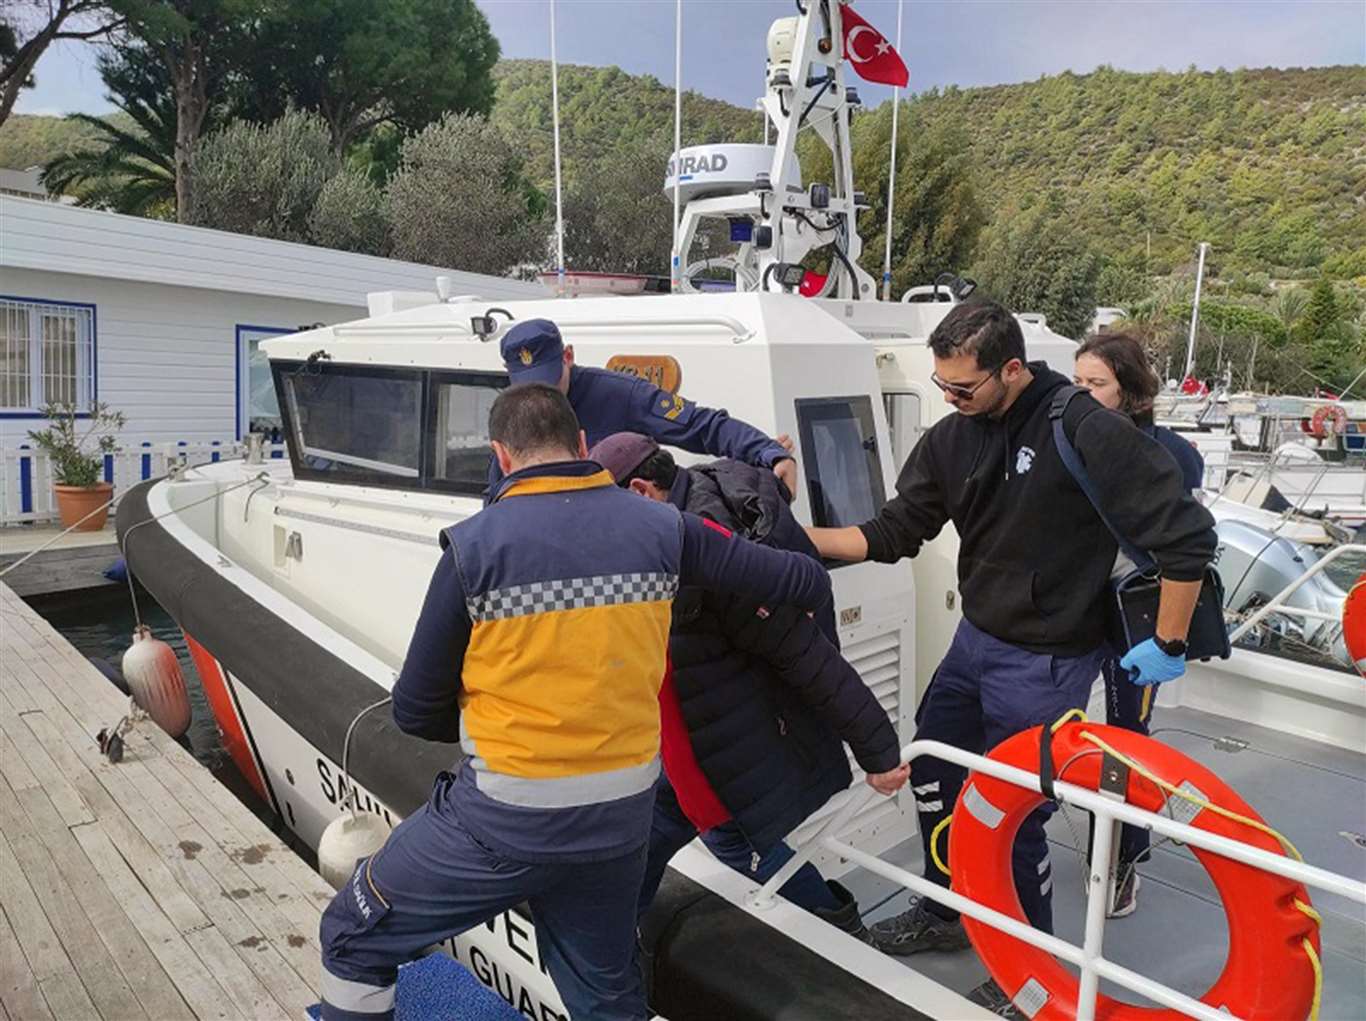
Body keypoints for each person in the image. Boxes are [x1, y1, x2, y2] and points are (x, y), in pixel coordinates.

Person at [318, 385, 833, 1021]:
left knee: (350, 935)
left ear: (502, 456)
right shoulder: (665, 529)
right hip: (620, 825)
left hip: (501, 824)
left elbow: (415, 712)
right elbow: (801, 577)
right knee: (605, 997)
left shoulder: (473, 548)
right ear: (582, 445)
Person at [804, 300, 1216, 1014]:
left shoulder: (1084, 427)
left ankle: (1030, 968)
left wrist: (1169, 643)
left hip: (1049, 659)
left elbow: (1189, 537)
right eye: (941, 386)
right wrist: (792, 537)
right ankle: (947, 910)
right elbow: (896, 530)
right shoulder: (954, 436)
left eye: (963, 388)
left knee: (1013, 810)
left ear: (1013, 369)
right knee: (933, 769)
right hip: (976, 641)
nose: (950, 400)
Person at [587, 432, 909, 944]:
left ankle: (840, 927)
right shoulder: (692, 500)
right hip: (690, 735)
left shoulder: (709, 555)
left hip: (720, 748)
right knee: (658, 837)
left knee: (732, 842)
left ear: (644, 491)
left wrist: (879, 753)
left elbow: (804, 653)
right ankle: (617, 941)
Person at [1073, 329, 1205, 917]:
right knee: (1054, 723)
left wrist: (1167, 637)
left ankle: (1125, 859)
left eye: (1095, 384)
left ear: (1131, 391)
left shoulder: (1174, 455)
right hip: (1072, 608)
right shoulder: (1068, 441)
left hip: (1133, 618)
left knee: (1127, 739)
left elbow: (1184, 543)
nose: (1082, 395)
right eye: (1075, 382)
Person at [493, 318, 796, 498]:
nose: (540, 395)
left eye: (548, 381)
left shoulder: (620, 394)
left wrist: (768, 452)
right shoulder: (513, 413)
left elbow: (701, 426)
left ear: (568, 356)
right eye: (527, 386)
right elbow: (496, 491)